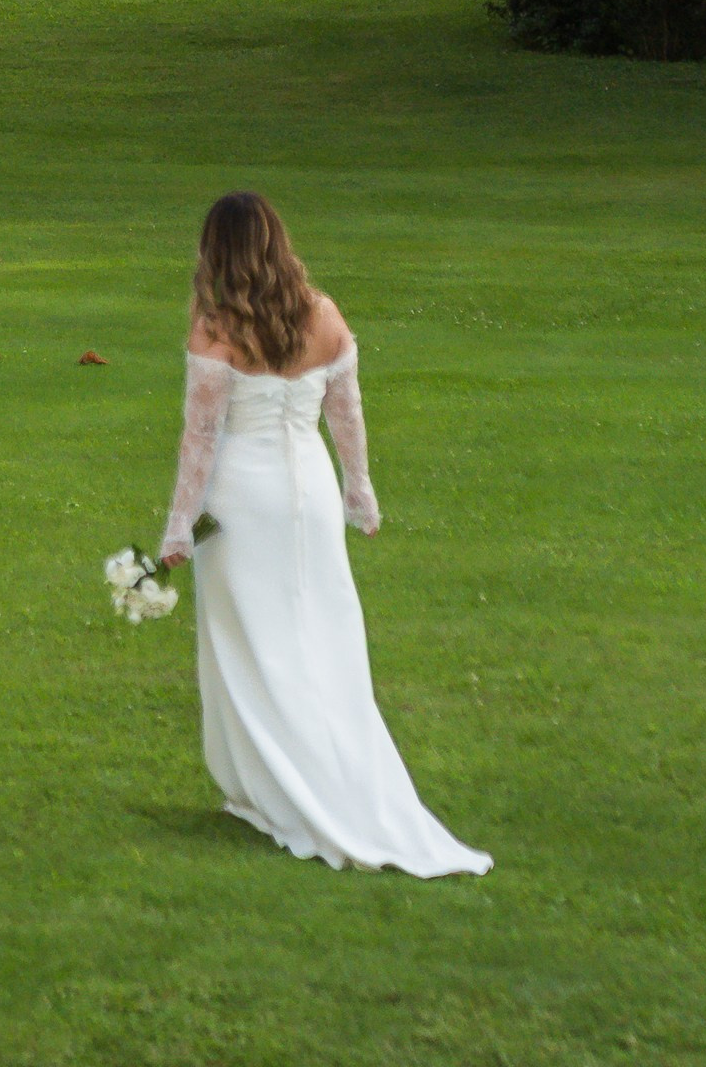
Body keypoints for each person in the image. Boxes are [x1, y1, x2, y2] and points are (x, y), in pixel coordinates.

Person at [157, 189, 489, 876]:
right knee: (318, 634)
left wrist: (178, 526)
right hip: (307, 492)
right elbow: (347, 415)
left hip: (245, 500)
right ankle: (317, 773)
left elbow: (201, 438)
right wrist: (358, 488)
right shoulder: (325, 316)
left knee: (253, 645)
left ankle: (280, 786)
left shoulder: (216, 331)